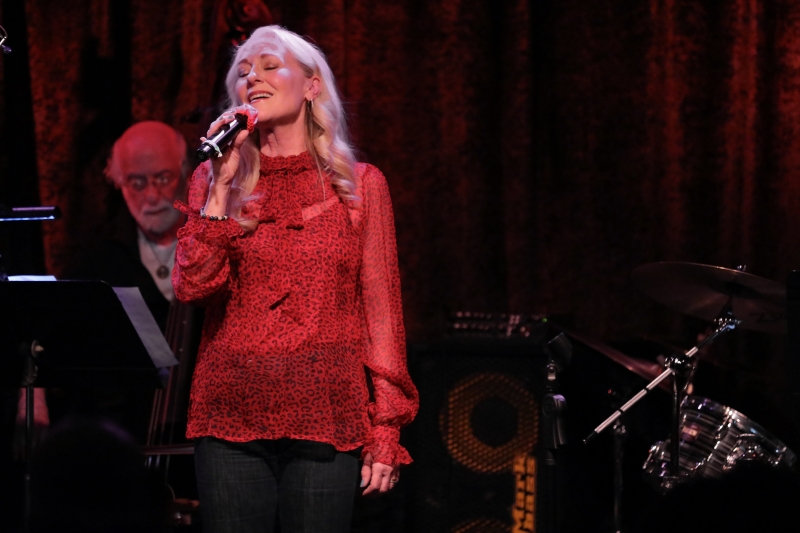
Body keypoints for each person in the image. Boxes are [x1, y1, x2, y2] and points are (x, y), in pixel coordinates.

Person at [172, 25, 419, 533]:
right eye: (242, 73)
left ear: (311, 86)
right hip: (230, 412)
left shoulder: (361, 186)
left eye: (268, 65)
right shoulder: (215, 179)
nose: (252, 78)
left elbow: (382, 314)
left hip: (327, 414)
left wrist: (386, 427)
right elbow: (192, 286)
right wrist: (220, 187)